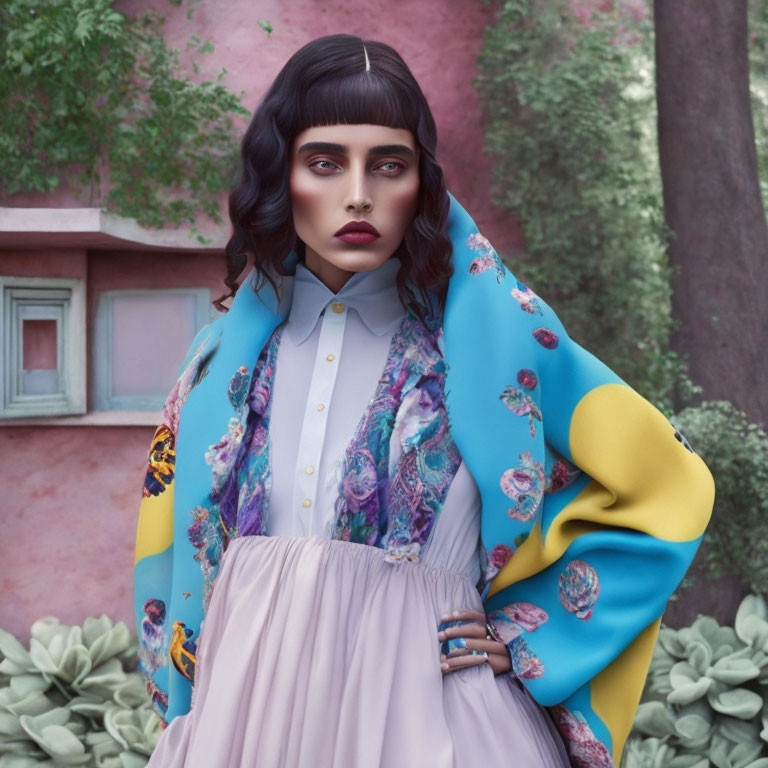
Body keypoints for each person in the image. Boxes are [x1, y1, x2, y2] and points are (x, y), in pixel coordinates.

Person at [133, 34, 715, 768]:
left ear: (423, 184)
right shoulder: (219, 365)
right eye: (324, 162)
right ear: (282, 176)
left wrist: (534, 635)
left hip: (441, 726)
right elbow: (167, 564)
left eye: (388, 166)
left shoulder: (498, 344)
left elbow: (672, 481)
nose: (357, 195)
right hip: (243, 727)